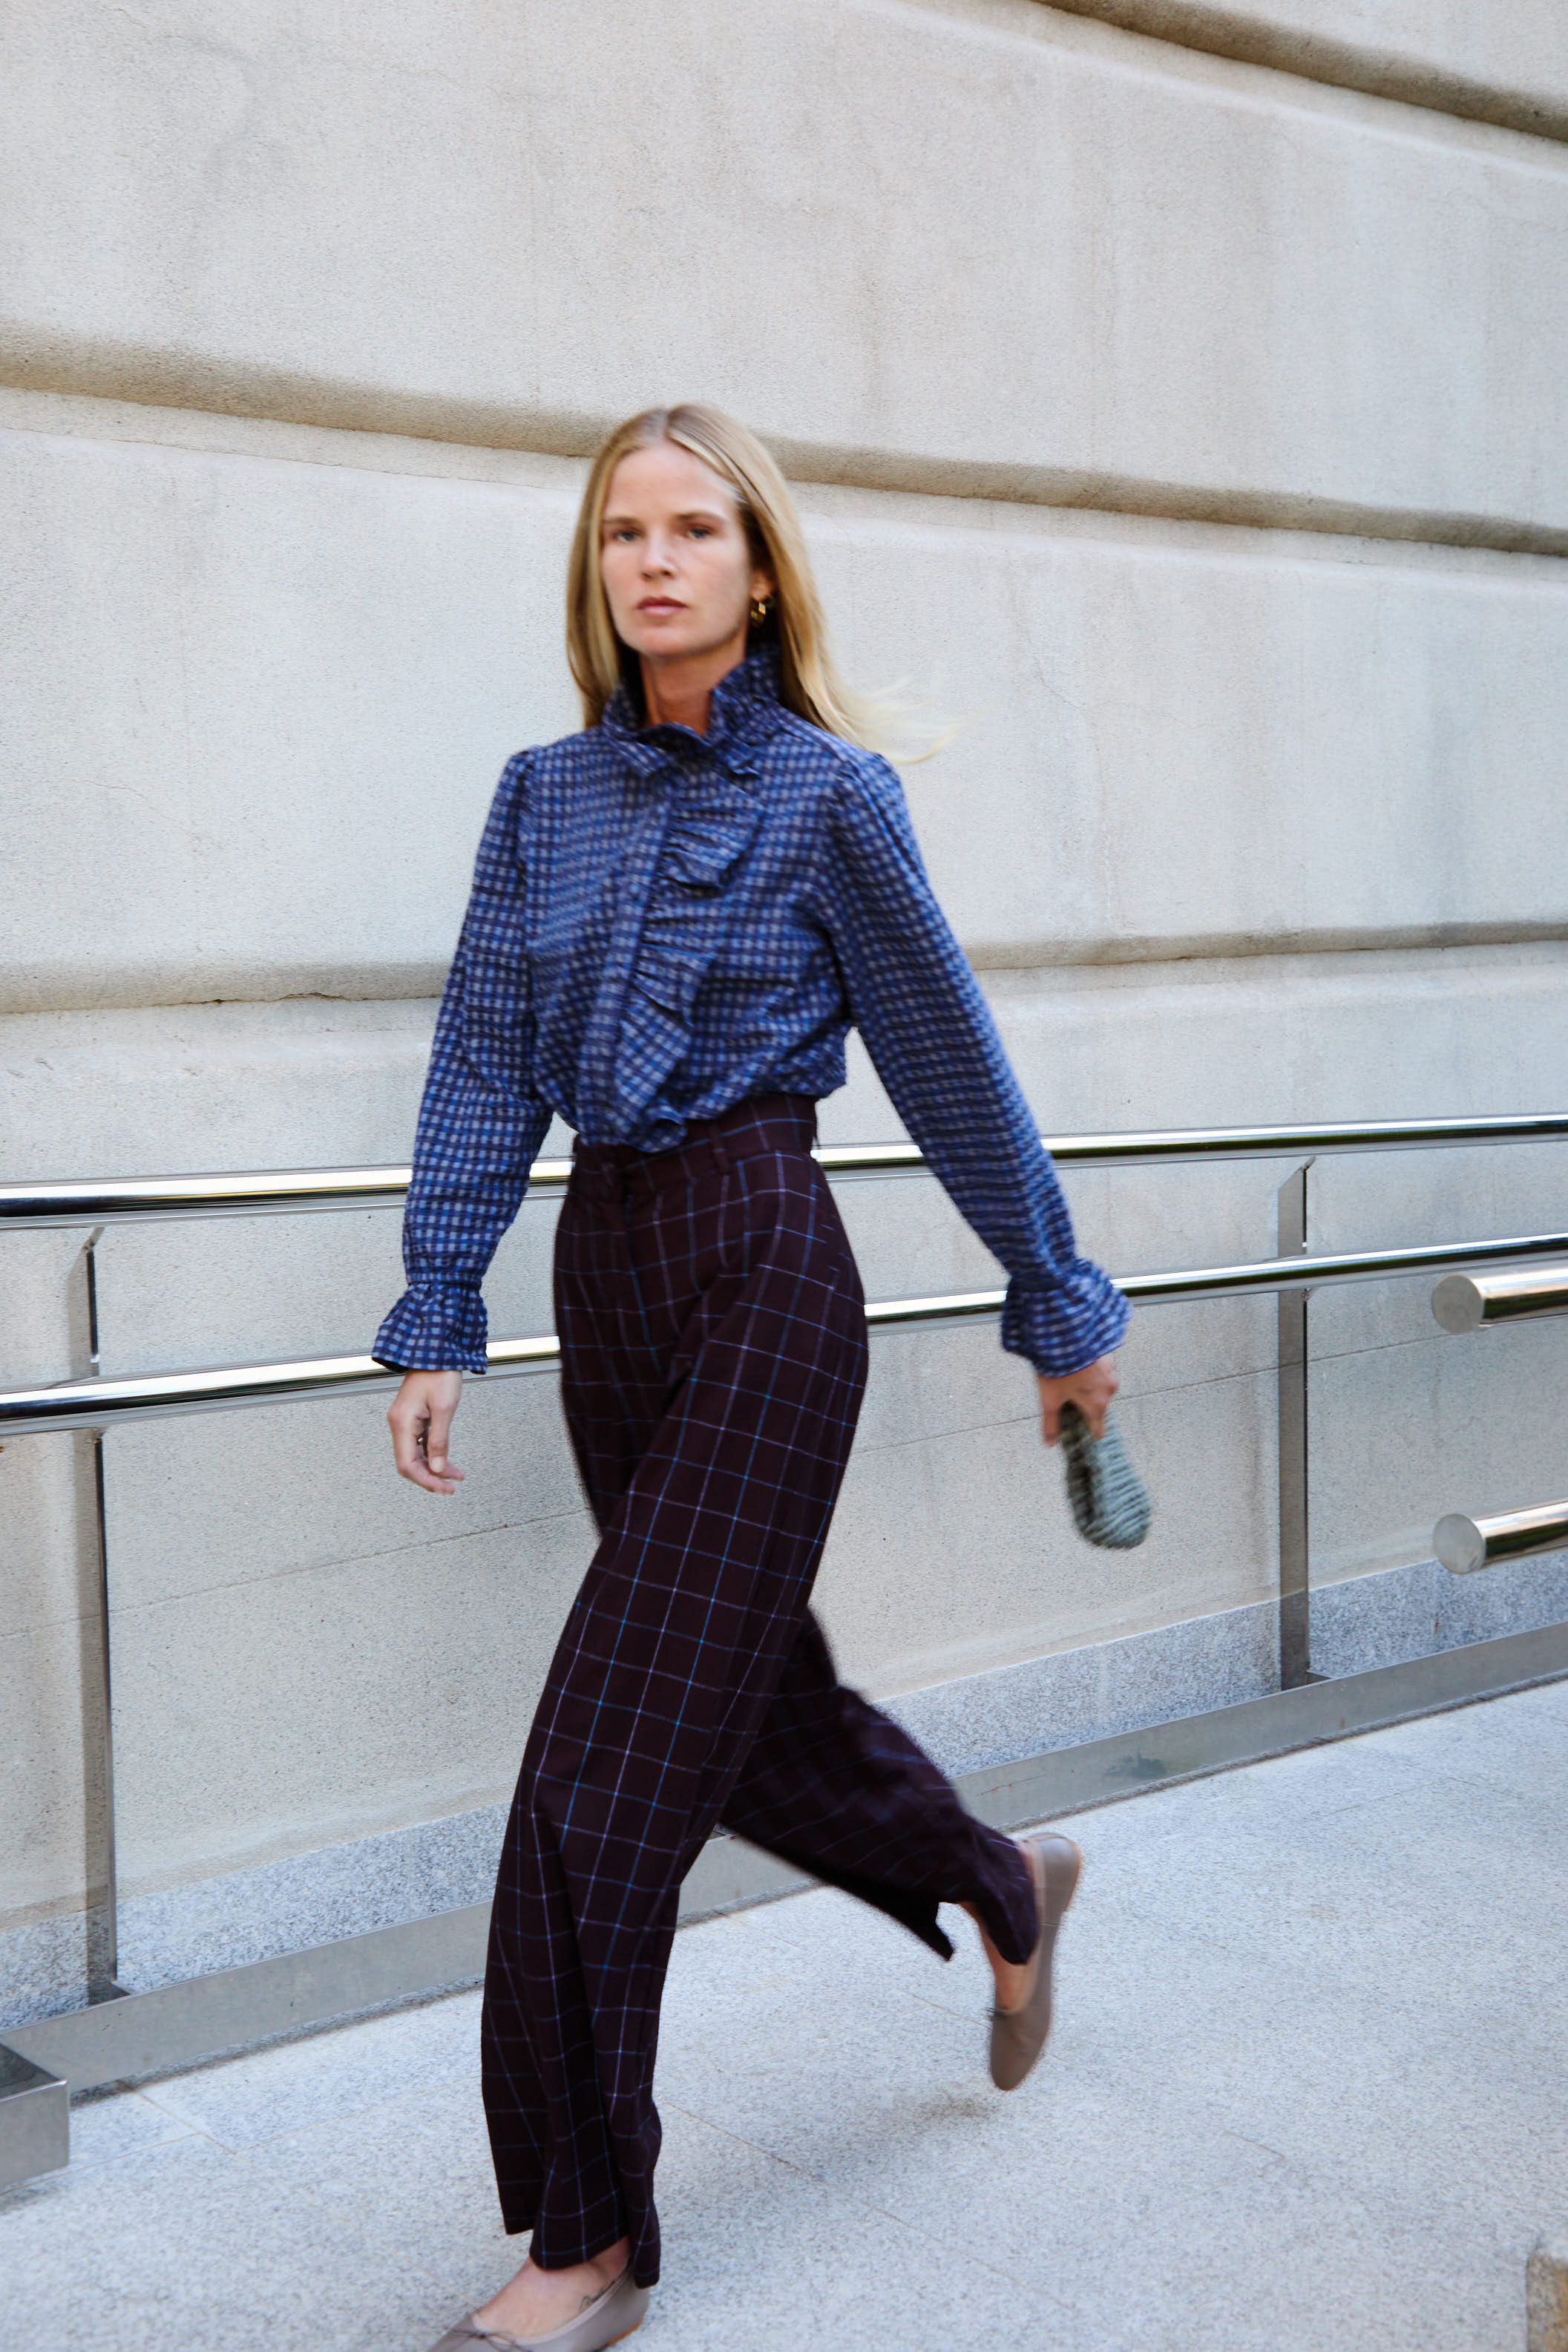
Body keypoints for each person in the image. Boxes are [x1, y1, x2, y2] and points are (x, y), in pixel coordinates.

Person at [375, 404, 1128, 2352]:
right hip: (606, 1275)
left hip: (766, 1272)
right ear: (594, 567)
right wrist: (438, 1301)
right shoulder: (536, 795)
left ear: (760, 566)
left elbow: (950, 1063)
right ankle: (999, 1877)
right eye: (622, 528)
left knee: (599, 1775)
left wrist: (1056, 1297)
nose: (653, 559)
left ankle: (585, 2235)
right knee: (745, 1712)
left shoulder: (828, 799)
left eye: (694, 527)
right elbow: (476, 1054)